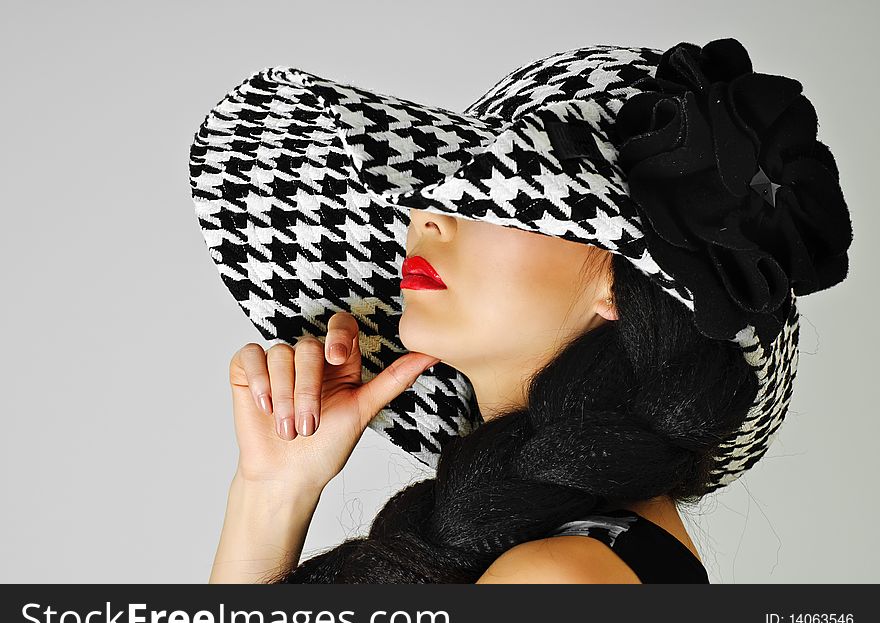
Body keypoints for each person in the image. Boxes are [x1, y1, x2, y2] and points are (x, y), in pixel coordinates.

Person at [191, 38, 852, 584]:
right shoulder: (573, 561)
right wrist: (274, 491)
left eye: (495, 197)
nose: (425, 213)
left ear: (621, 286)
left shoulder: (559, 579)